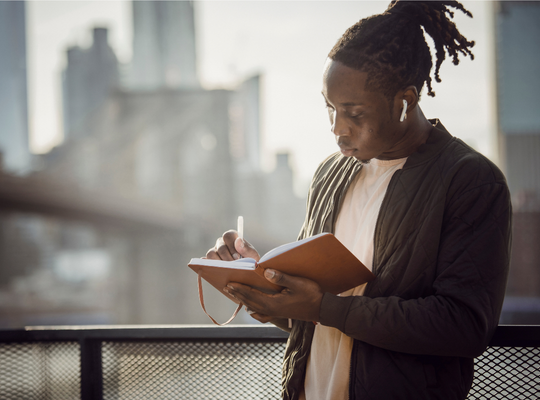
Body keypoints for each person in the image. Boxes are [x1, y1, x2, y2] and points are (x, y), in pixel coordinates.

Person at [206, 1, 511, 399]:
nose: (337, 128)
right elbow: (318, 312)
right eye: (330, 108)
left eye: (354, 113)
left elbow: (464, 326)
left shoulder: (470, 180)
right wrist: (264, 291)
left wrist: (321, 308)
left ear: (406, 100)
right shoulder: (330, 174)